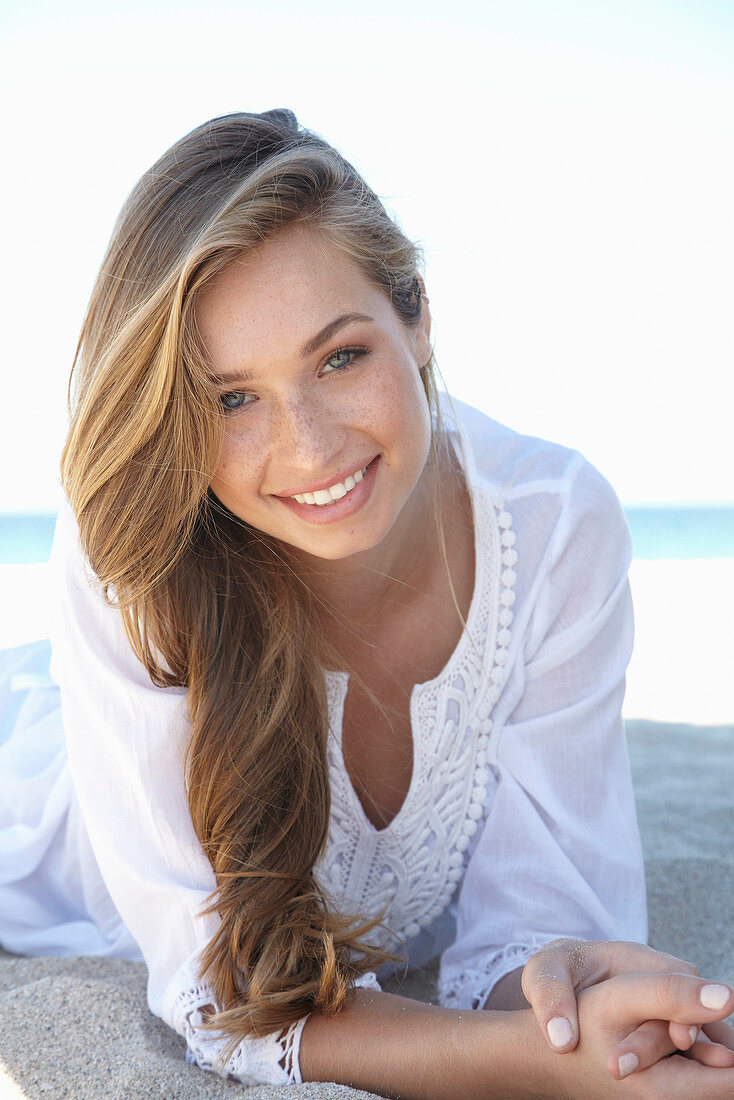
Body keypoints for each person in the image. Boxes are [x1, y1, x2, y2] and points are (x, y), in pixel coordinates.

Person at [1, 109, 733, 1098]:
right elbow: (226, 1000)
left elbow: (534, 928)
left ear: (417, 318)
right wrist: (533, 1064)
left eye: (339, 356)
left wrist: (578, 1003)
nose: (306, 442)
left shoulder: (554, 525)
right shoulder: (134, 556)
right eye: (231, 398)